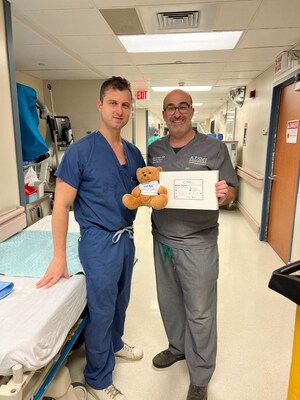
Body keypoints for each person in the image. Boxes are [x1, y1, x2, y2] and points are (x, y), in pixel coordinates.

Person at [36, 76, 146, 400]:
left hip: (126, 239)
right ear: (100, 105)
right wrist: (59, 256)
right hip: (99, 242)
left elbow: (143, 190)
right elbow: (61, 206)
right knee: (102, 309)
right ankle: (98, 378)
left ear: (130, 110)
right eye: (113, 103)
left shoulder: (134, 152)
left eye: (125, 104)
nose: (119, 110)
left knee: (121, 301)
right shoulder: (81, 152)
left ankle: (115, 344)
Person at [147, 89, 238, 400]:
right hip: (163, 241)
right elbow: (150, 188)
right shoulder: (155, 149)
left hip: (199, 243)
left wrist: (227, 195)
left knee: (199, 311)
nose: (176, 113)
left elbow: (232, 190)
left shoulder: (213, 149)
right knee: (170, 303)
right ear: (164, 114)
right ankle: (177, 347)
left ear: (191, 110)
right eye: (170, 108)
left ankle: (200, 375)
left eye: (182, 107)